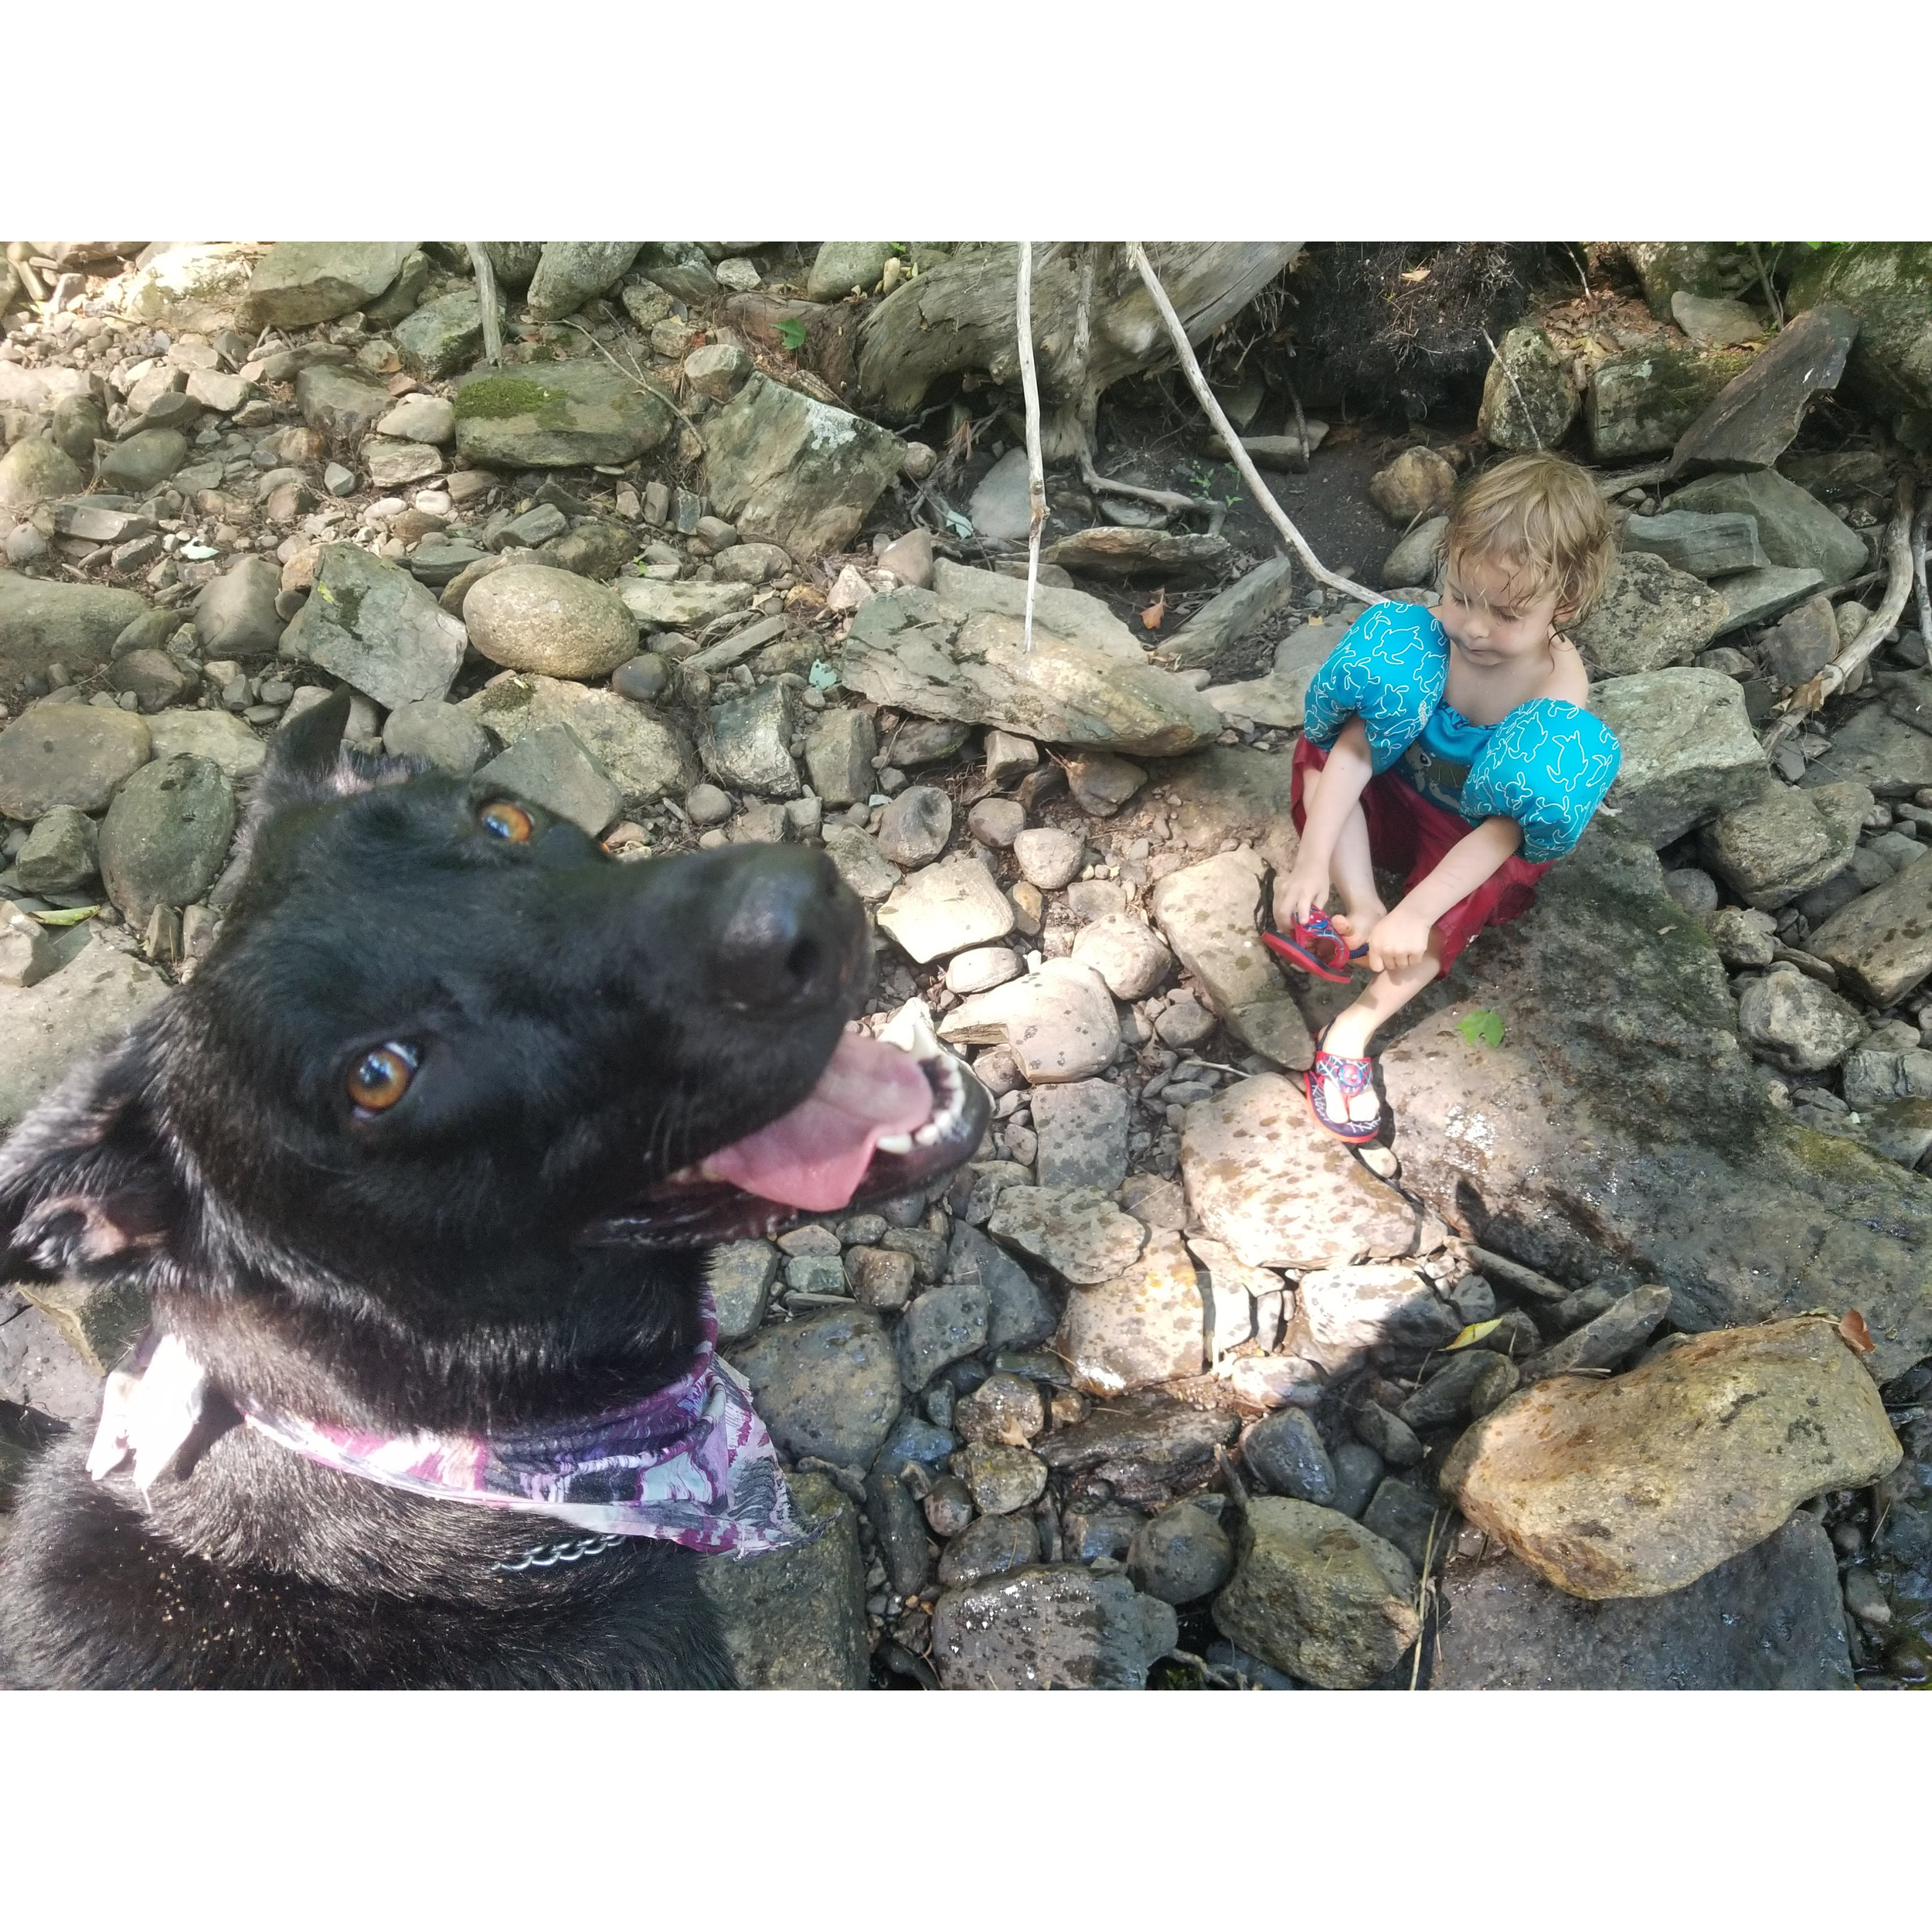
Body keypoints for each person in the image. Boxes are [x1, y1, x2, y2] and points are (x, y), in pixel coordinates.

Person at [1269, 451, 1624, 1143]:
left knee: (1457, 907)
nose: (1473, 629)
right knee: (1322, 749)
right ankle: (1360, 901)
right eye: (1461, 596)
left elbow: (1501, 833)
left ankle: (1350, 1034)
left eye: (1507, 613)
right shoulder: (1433, 636)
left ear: (1566, 604)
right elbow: (1357, 749)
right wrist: (1312, 864)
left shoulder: (1557, 691)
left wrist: (1416, 911)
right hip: (1394, 789)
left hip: (1465, 831)